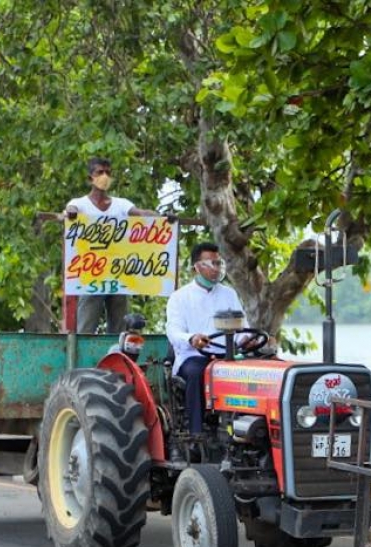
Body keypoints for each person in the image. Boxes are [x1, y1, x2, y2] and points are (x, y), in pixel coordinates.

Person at [166, 242, 260, 435]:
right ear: (197, 266)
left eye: (219, 263)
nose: (217, 268)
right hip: (194, 356)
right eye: (212, 263)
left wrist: (248, 339)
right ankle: (196, 434)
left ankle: (250, 431)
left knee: (256, 371)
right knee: (196, 373)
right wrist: (192, 338)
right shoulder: (179, 297)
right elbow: (173, 331)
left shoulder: (229, 294)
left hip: (227, 356)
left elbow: (241, 327)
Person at [64, 156, 160, 335]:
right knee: (86, 324)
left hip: (118, 274)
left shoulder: (121, 204)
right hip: (91, 274)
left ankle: (117, 356)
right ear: (90, 178)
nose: (105, 176)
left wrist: (158, 216)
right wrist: (71, 213)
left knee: (119, 324)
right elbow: (71, 211)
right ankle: (82, 360)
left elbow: (139, 213)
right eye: (100, 172)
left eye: (108, 172)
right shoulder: (79, 204)